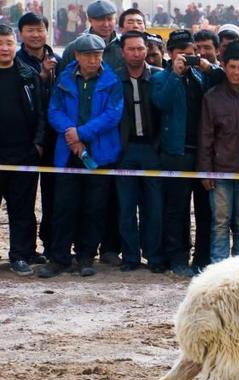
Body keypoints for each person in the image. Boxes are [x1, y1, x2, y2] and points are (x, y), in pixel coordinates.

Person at [38, 33, 123, 279]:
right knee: (63, 207)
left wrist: (81, 133)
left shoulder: (112, 81)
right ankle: (59, 258)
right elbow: (54, 111)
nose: (93, 60)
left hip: (100, 153)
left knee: (94, 208)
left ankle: (86, 256)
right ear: (76, 56)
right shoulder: (64, 79)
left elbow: (112, 115)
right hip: (68, 154)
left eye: (97, 55)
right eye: (87, 55)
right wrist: (71, 134)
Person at [151, 29, 218, 276]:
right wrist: (176, 75)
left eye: (190, 54)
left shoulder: (201, 76)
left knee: (204, 211)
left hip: (202, 154)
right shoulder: (161, 77)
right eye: (181, 54)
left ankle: (201, 259)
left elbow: (222, 79)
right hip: (174, 153)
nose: (186, 59)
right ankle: (176, 258)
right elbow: (161, 103)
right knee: (175, 210)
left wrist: (206, 66)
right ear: (169, 54)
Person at [198, 40, 239, 263]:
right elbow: (205, 137)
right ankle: (218, 270)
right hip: (221, 172)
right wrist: (205, 170)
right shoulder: (212, 97)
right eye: (232, 67)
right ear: (224, 66)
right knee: (220, 223)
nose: (236, 72)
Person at [115, 30, 164, 272]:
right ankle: (131, 257)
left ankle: (154, 257)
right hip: (125, 151)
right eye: (131, 49)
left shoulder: (159, 77)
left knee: (153, 207)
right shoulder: (114, 79)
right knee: (126, 207)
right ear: (122, 52)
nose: (136, 53)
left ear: (147, 50)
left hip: (152, 150)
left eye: (140, 48)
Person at [0, 23, 46, 276]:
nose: (4, 49)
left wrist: (37, 145)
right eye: (0, 44)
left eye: (8, 43)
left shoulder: (28, 75)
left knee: (22, 209)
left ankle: (20, 254)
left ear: (15, 44)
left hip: (23, 155)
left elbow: (40, 114)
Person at [16, 12, 59, 263]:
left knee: (53, 198)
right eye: (30, 30)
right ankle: (25, 250)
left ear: (47, 30)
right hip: (25, 144)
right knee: (24, 200)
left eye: (39, 29)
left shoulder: (58, 61)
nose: (35, 34)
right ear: (20, 34)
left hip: (54, 142)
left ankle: (51, 246)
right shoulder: (14, 63)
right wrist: (40, 79)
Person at [58, 0, 122, 75]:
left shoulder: (123, 46)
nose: (106, 24)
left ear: (116, 19)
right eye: (100, 19)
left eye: (110, 19)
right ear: (90, 20)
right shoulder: (74, 48)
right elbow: (63, 80)